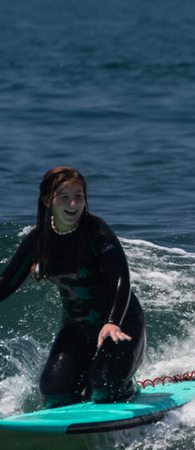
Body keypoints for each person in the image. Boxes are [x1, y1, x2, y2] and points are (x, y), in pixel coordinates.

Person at [0, 167, 146, 408]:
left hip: (120, 322)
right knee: (55, 394)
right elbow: (7, 282)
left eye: (79, 195)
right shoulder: (38, 240)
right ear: (48, 201)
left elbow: (123, 280)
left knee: (105, 388)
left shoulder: (98, 234)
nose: (73, 203)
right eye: (64, 196)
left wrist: (112, 321)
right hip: (77, 327)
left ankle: (125, 386)